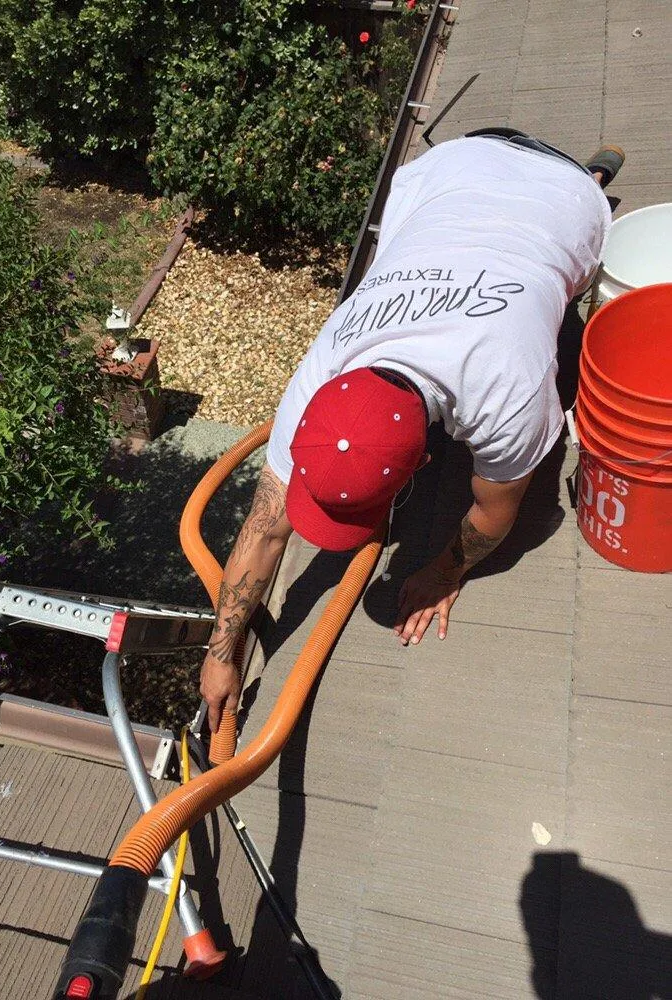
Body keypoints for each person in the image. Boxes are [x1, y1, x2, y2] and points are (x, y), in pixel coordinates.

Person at [199, 130, 624, 733]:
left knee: (565, 287)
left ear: (425, 462)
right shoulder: (324, 369)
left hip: (562, 191)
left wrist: (444, 572)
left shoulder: (511, 387)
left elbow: (497, 514)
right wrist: (221, 655)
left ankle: (597, 180)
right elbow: (266, 530)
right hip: (453, 165)